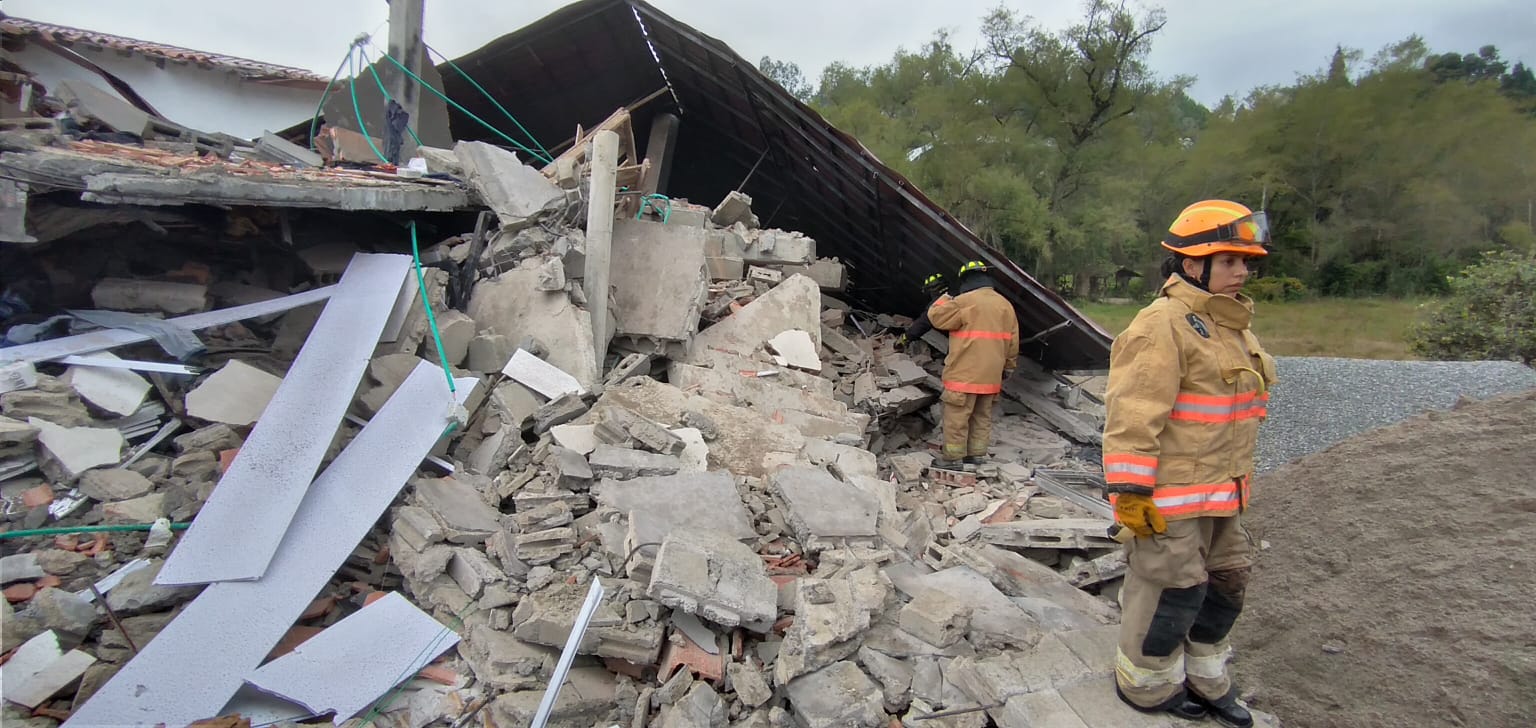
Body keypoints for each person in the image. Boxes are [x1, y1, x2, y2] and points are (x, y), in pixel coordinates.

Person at [1102, 199, 1278, 727]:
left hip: (1225, 495)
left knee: (1225, 587)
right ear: (1191, 263)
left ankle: (1206, 678)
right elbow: (1133, 414)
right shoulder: (1163, 325)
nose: (1241, 271)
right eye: (1228, 261)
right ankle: (1148, 686)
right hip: (1172, 499)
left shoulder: (1232, 326)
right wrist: (1130, 493)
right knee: (1170, 592)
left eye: (1245, 262)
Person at [927, 260, 1019, 465]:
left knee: (957, 417)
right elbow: (1013, 343)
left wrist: (944, 297)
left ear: (965, 280)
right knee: (982, 416)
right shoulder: (1005, 305)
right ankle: (976, 455)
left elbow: (936, 317)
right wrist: (1008, 367)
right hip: (991, 376)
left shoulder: (964, 301)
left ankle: (953, 459)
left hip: (964, 374)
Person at [900, 273, 950, 346]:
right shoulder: (960, 294)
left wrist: (904, 338)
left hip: (961, 340)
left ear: (930, 290)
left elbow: (923, 324)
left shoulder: (936, 305)